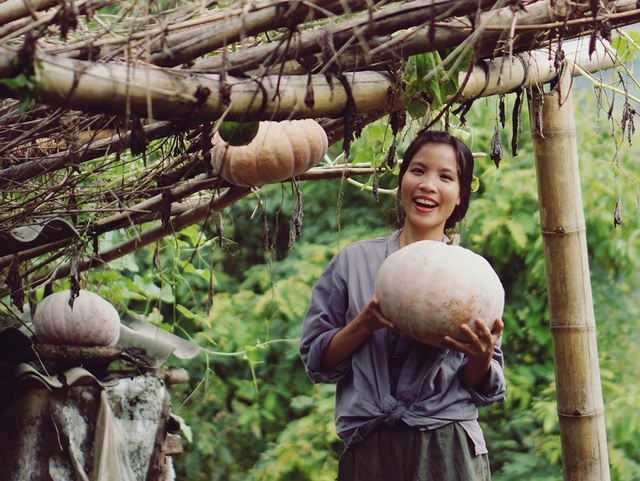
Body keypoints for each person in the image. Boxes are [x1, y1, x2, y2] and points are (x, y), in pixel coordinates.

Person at [299, 129, 506, 480]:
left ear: (460, 196)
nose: (428, 185)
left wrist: (481, 356)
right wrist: (365, 323)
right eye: (418, 170)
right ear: (402, 179)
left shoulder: (474, 280)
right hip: (370, 448)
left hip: (447, 447)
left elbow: (482, 387)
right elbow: (317, 362)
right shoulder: (353, 262)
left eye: (445, 177)